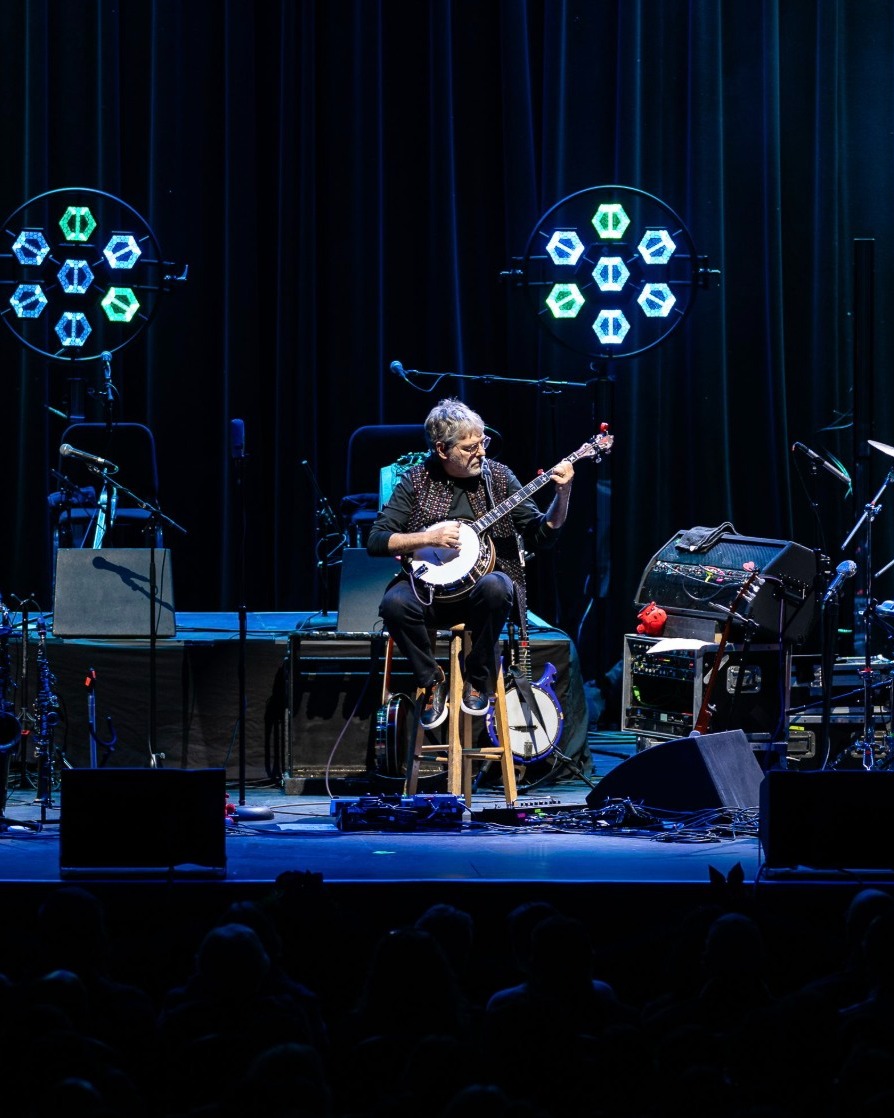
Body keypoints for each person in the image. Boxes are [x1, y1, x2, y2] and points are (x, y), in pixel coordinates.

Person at [366, 397, 574, 727]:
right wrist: (427, 538)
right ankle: (431, 680)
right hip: (428, 594)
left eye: (482, 443)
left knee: (498, 587)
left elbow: (541, 536)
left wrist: (562, 496)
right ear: (441, 449)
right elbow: (376, 540)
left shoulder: (500, 478)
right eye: (469, 447)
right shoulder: (417, 481)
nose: (481, 453)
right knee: (393, 604)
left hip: (480, 599)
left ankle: (478, 677)